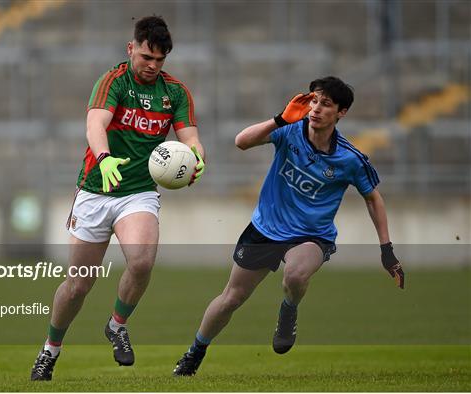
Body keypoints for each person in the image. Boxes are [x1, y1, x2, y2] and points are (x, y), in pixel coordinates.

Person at [172, 76, 404, 376]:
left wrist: (387, 250)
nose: (317, 109)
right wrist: (280, 119)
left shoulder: (350, 158)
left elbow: (373, 199)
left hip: (311, 237)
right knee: (232, 297)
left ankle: (289, 308)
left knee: (294, 274)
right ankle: (195, 352)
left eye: (326, 104)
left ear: (341, 113)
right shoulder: (289, 131)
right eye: (314, 101)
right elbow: (241, 142)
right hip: (265, 229)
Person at [31, 15, 205, 381]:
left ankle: (116, 324)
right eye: (146, 57)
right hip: (96, 190)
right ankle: (50, 351)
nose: (152, 66)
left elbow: (189, 136)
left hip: (138, 192)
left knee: (141, 262)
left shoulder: (174, 92)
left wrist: (197, 158)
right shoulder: (112, 81)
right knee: (78, 284)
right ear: (131, 49)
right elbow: (96, 123)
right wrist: (105, 159)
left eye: (160, 60)